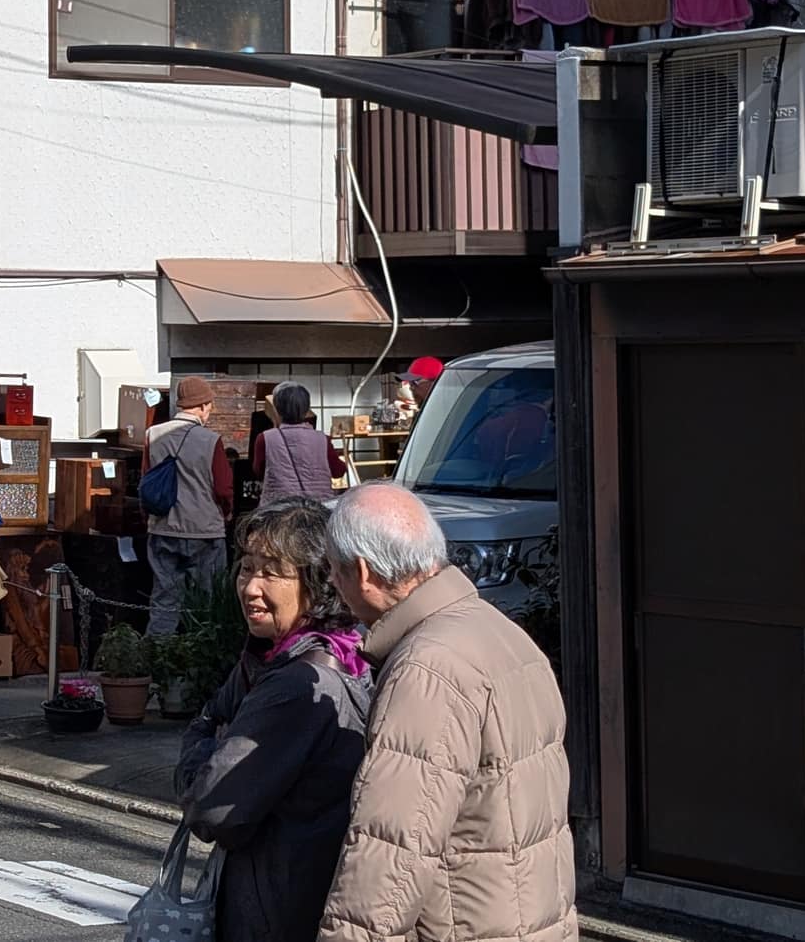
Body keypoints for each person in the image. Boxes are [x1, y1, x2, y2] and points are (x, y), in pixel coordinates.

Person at [318, 483, 575, 942]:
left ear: (361, 572)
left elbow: (393, 848)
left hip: (467, 926)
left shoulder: (426, 668)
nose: (333, 586)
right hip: (533, 918)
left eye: (334, 572)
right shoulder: (502, 633)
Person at [177, 498, 373, 942]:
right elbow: (211, 721)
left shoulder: (298, 684)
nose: (249, 587)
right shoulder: (329, 652)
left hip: (279, 908)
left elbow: (214, 807)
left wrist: (205, 750)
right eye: (247, 567)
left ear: (319, 581)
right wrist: (213, 736)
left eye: (272, 571)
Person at [145, 376, 235, 635]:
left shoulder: (153, 434)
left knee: (164, 601)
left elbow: (146, 479)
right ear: (204, 405)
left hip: (163, 527)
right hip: (204, 530)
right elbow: (223, 488)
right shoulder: (210, 440)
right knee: (206, 603)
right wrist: (227, 513)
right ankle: (200, 660)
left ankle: (157, 659)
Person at [253, 382, 346, 501]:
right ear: (307, 409)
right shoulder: (322, 439)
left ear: (277, 408)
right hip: (317, 508)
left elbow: (259, 472)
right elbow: (338, 471)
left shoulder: (265, 438)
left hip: (279, 509)